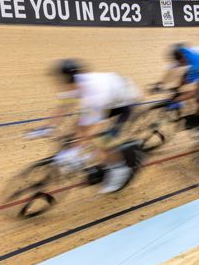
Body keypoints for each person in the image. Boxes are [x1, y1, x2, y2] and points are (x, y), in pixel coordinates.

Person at [48, 59, 140, 194]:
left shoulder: (94, 93)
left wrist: (76, 149)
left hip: (125, 103)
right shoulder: (74, 84)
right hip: (111, 97)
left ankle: (120, 170)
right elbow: (63, 107)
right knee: (79, 125)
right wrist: (47, 127)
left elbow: (96, 126)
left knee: (103, 140)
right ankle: (84, 157)